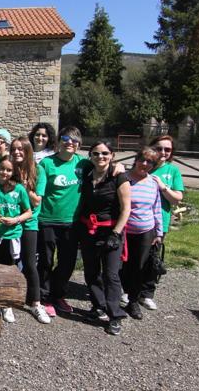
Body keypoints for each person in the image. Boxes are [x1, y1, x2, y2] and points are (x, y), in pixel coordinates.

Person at [36, 126, 90, 316]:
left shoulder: (84, 164)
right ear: (58, 142)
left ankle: (58, 295)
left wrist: (117, 166)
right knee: (45, 261)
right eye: (65, 138)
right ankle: (43, 297)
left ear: (79, 144)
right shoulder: (46, 164)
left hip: (71, 223)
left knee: (67, 262)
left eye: (74, 140)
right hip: (47, 220)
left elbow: (105, 168)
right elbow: (38, 191)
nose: (70, 142)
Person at [78, 141, 130, 335]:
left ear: (112, 155)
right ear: (90, 156)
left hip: (110, 230)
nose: (101, 157)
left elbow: (126, 209)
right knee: (91, 272)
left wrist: (116, 233)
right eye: (96, 154)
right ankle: (98, 306)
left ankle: (115, 314)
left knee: (111, 274)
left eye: (105, 153)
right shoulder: (86, 175)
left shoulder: (119, 177)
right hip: (88, 230)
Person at [0, 157, 32, 323]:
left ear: (14, 172)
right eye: (2, 168)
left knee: (10, 268)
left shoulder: (19, 189)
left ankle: (7, 303)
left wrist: (15, 220)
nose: (5, 172)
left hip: (11, 236)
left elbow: (28, 211)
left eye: (9, 170)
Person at [141, 135, 184, 311]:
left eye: (168, 149)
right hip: (138, 221)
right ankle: (129, 290)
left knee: (152, 258)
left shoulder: (172, 171)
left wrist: (163, 187)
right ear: (152, 148)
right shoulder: (144, 165)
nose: (163, 152)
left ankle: (147, 293)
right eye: (159, 148)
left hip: (159, 223)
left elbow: (177, 199)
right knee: (134, 257)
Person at [10, 137, 51, 324]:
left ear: (27, 151)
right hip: (9, 221)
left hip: (28, 223)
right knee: (8, 261)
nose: (17, 152)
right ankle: (7, 300)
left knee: (29, 262)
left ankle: (35, 302)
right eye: (14, 149)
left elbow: (36, 201)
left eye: (21, 149)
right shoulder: (9, 168)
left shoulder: (38, 170)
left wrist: (25, 186)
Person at [122, 147, 163, 320]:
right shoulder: (123, 178)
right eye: (142, 160)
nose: (145, 164)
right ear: (136, 159)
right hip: (124, 230)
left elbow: (156, 208)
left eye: (150, 162)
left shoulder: (153, 182)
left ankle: (133, 301)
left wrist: (159, 232)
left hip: (145, 231)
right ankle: (118, 294)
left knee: (139, 267)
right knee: (122, 266)